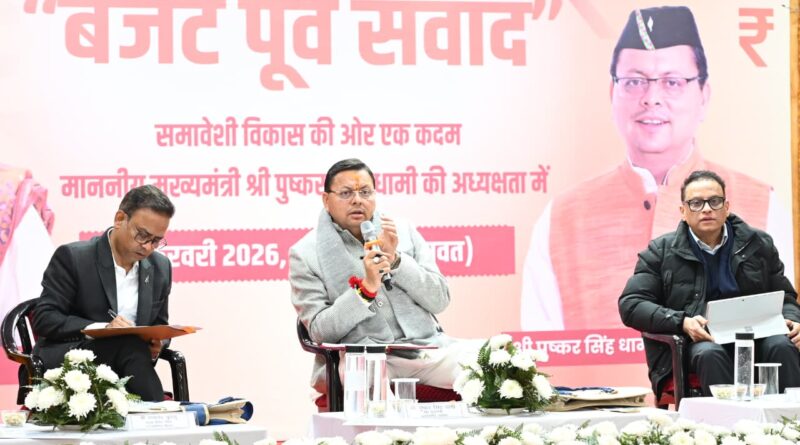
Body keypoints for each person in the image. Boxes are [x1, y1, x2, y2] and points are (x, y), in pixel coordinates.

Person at [520, 5, 794, 331]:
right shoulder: (561, 218)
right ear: (612, 93)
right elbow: (542, 346)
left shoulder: (763, 206)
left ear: (704, 95)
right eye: (634, 81)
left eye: (672, 82)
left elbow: (781, 321)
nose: (651, 98)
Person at [290, 158, 474, 396]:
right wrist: (366, 289)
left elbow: (439, 300)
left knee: (493, 359)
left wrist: (396, 261)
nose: (357, 200)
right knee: (362, 374)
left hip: (426, 349)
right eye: (346, 193)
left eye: (365, 192)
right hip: (364, 356)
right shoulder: (305, 253)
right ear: (326, 200)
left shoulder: (402, 231)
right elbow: (320, 332)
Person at [619, 170, 800, 398]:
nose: (706, 209)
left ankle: (789, 419)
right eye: (696, 203)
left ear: (726, 207)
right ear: (683, 211)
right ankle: (728, 421)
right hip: (698, 341)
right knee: (710, 353)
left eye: (714, 201)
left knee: (782, 345)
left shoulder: (758, 243)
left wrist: (793, 319)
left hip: (756, 337)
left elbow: (785, 297)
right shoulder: (660, 251)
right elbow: (631, 304)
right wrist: (682, 322)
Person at [33, 184, 175, 401]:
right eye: (142, 235)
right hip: (73, 358)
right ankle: (158, 411)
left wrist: (158, 344)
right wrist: (101, 328)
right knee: (128, 344)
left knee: (132, 346)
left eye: (156, 241)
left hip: (131, 365)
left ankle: (155, 410)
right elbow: (45, 318)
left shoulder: (160, 267)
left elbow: (159, 325)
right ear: (120, 219)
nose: (148, 247)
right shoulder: (74, 258)